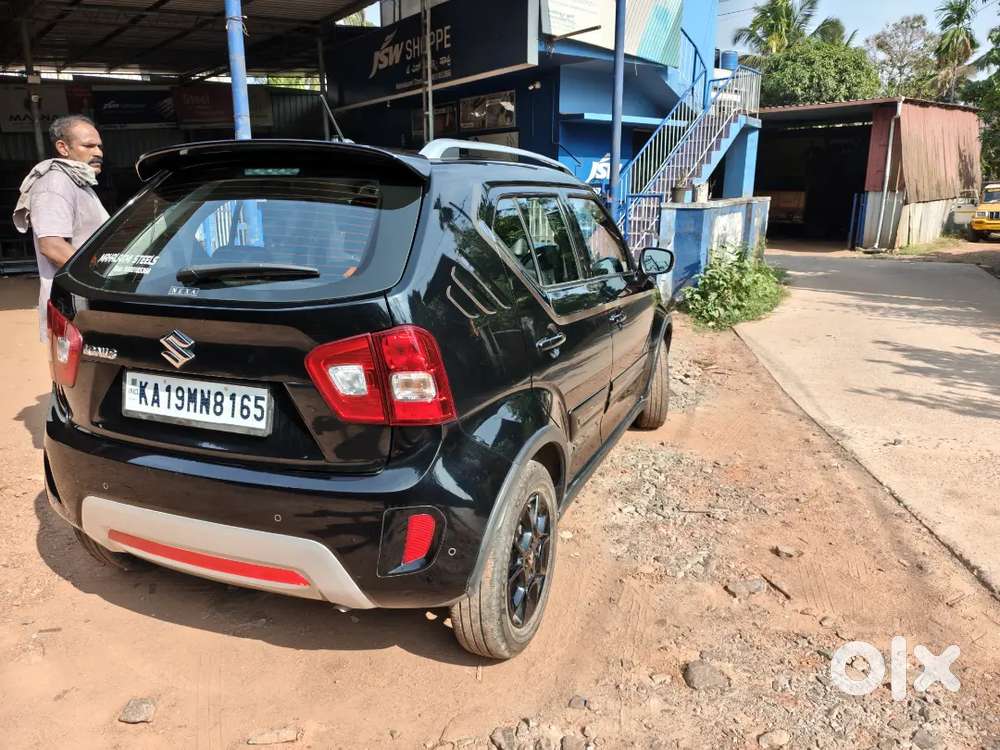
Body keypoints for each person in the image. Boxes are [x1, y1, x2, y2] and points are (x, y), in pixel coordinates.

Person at [12, 114, 109, 340]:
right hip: (74, 305)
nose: (98, 153)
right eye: (89, 145)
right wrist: (103, 281)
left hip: (87, 301)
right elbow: (53, 246)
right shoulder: (55, 183)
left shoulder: (78, 182)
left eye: (100, 146)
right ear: (63, 148)